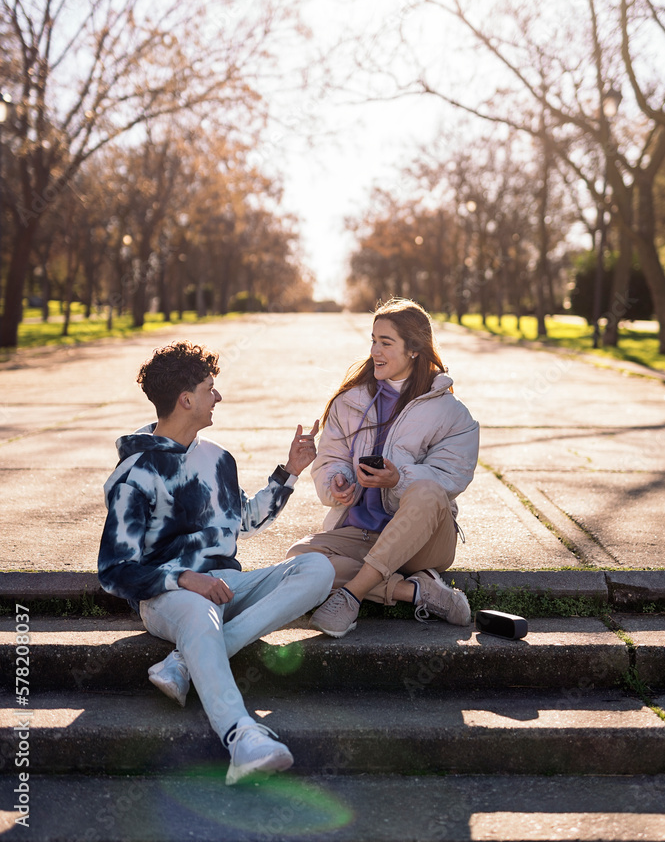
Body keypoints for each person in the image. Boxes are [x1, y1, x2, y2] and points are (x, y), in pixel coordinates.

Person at [98, 340, 334, 785]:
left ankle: (184, 663)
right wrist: (185, 578)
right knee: (197, 608)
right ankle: (242, 737)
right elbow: (115, 569)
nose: (218, 397)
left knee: (318, 568)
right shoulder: (136, 474)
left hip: (226, 585)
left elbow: (242, 519)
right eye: (211, 388)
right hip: (170, 595)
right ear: (186, 400)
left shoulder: (219, 458)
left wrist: (290, 471)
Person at [286, 298, 479, 638]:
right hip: (360, 534)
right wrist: (338, 481)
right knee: (299, 557)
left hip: (424, 542)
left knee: (425, 489)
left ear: (414, 350)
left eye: (386, 343)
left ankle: (352, 595)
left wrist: (397, 478)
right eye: (373, 340)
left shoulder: (452, 413)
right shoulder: (350, 400)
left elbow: (451, 477)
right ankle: (418, 592)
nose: (375, 350)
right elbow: (331, 459)